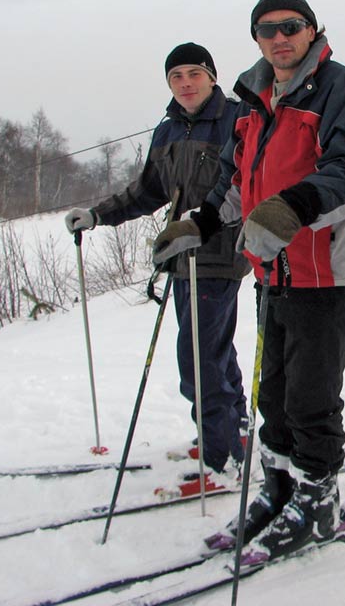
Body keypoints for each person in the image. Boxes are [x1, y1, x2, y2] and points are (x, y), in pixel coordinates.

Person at [152, 0, 345, 563]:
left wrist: (291, 208)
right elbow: (236, 182)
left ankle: (319, 499)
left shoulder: (339, 89)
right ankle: (278, 490)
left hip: (323, 271)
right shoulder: (253, 98)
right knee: (272, 394)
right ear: (255, 37)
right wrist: (201, 223)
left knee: (310, 398)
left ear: (312, 29)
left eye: (290, 27)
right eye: (267, 29)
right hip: (270, 270)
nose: (279, 39)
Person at [64, 42, 251, 492]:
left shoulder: (236, 119)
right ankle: (235, 431)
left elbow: (245, 182)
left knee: (198, 357)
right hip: (179, 258)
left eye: (193, 73)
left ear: (211, 76)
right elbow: (148, 191)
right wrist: (98, 215)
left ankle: (219, 456)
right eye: (176, 77)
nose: (185, 83)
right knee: (212, 349)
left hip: (218, 253)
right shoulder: (167, 132)